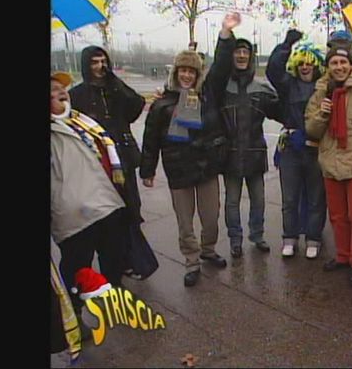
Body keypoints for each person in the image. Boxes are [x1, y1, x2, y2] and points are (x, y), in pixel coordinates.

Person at [140, 50, 229, 287]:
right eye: (183, 70)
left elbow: (221, 68)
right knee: (185, 222)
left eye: (191, 71)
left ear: (198, 75)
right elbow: (150, 140)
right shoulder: (162, 104)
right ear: (175, 73)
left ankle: (208, 250)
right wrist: (147, 171)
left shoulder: (207, 98)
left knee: (210, 217)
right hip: (178, 169)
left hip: (206, 168)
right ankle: (191, 261)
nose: (187, 75)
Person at [68, 46, 147, 278]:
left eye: (103, 61)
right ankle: (114, 261)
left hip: (123, 157)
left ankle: (131, 257)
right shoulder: (77, 95)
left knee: (131, 208)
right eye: (94, 62)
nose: (100, 66)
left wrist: (116, 83)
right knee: (109, 215)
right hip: (96, 162)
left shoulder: (115, 88)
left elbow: (136, 106)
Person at [50, 72, 127, 311]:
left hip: (105, 203)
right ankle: (75, 313)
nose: (61, 92)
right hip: (74, 215)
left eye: (61, 88)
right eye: (53, 90)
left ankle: (113, 299)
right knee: (77, 267)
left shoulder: (80, 121)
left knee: (113, 259)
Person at [305, 45, 352, 287]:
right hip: (330, 161)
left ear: (351, 65)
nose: (339, 67)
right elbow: (311, 129)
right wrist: (322, 114)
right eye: (334, 63)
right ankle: (343, 255)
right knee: (337, 216)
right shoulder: (320, 92)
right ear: (328, 67)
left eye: (343, 62)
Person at [210, 13, 282, 257]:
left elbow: (282, 111)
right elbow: (218, 66)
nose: (241, 55)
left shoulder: (261, 88)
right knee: (231, 202)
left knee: (258, 200)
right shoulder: (221, 86)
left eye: (245, 52)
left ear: (251, 57)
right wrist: (225, 34)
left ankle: (257, 235)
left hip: (255, 154)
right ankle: (235, 239)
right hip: (229, 155)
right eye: (237, 52)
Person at [266, 33, 329, 259]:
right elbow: (273, 69)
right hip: (291, 149)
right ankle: (289, 238)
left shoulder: (324, 86)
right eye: (301, 63)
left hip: (316, 149)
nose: (305, 67)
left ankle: (313, 238)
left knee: (316, 198)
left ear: (316, 64)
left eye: (309, 63)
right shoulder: (288, 85)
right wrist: (286, 44)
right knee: (290, 198)